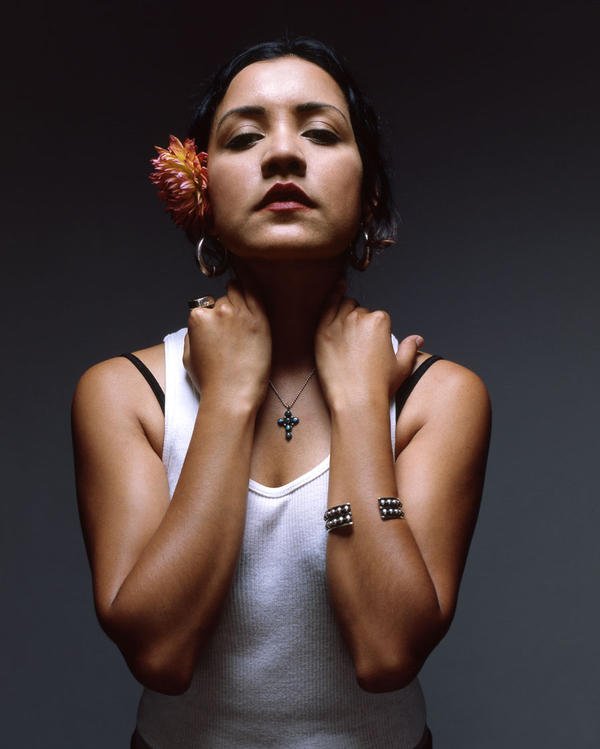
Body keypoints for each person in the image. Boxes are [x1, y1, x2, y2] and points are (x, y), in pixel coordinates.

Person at [72, 36, 491, 749]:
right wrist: (229, 397)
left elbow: (387, 652)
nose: (284, 155)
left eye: (321, 132)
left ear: (370, 192)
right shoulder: (126, 394)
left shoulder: (436, 397)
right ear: (199, 194)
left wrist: (360, 405)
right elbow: (161, 655)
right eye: (244, 138)